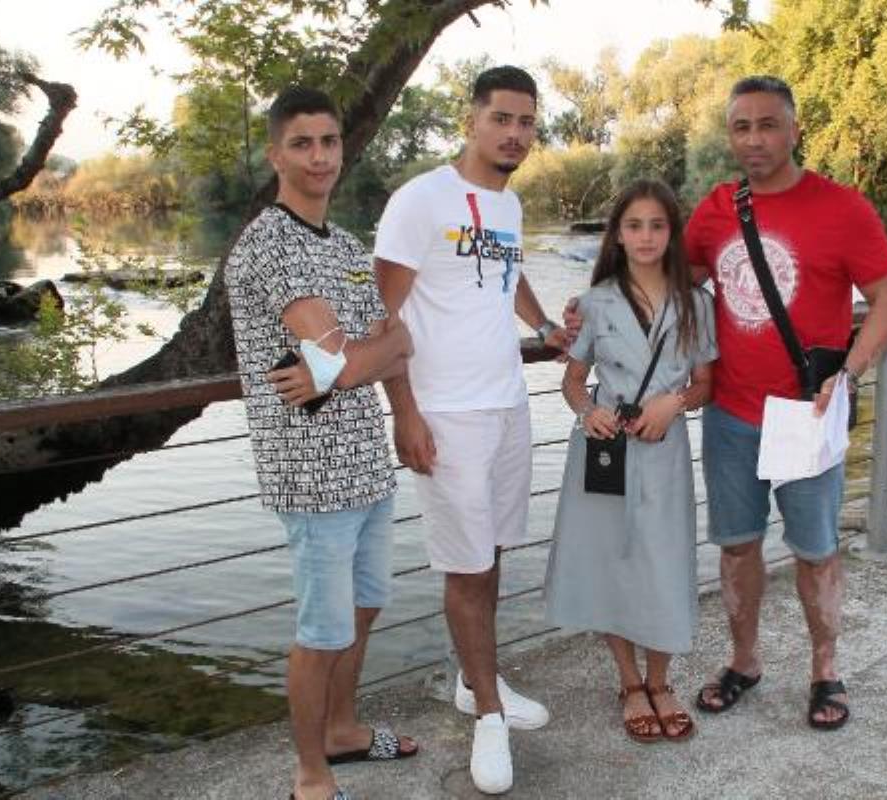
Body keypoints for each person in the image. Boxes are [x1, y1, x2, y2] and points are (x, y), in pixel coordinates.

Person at [685, 75, 887, 729]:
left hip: (808, 414)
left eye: (768, 124)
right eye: (742, 127)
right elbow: (668, 283)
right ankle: (744, 661)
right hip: (730, 415)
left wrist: (851, 372)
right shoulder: (715, 210)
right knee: (737, 548)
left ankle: (825, 671)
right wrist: (595, 309)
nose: (754, 139)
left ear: (794, 130)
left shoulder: (843, 208)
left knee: (816, 551)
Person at [372, 65, 569, 795]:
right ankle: (488, 715)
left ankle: (472, 680)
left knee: (492, 554)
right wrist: (405, 412)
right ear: (472, 121)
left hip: (507, 404)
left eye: (527, 122)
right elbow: (380, 315)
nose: (515, 134)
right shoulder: (420, 200)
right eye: (502, 119)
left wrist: (543, 326)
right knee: (466, 567)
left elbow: (506, 271)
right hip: (446, 414)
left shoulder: (507, 205)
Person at [227, 86, 418, 800]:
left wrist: (356, 366)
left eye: (329, 141)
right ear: (275, 154)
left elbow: (390, 345)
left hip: (366, 462)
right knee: (321, 630)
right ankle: (311, 774)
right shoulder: (266, 244)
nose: (319, 156)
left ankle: (342, 729)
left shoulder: (343, 246)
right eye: (301, 143)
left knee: (364, 608)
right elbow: (347, 351)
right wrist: (358, 358)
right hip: (311, 477)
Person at [544, 179, 716, 743]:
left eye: (657, 225)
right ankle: (629, 682)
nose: (646, 237)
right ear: (617, 234)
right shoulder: (594, 303)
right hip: (605, 450)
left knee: (664, 562)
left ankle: (661, 681)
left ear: (672, 233)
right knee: (610, 562)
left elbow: (706, 383)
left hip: (664, 448)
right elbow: (573, 381)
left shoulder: (696, 303)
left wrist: (675, 402)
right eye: (634, 225)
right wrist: (587, 411)